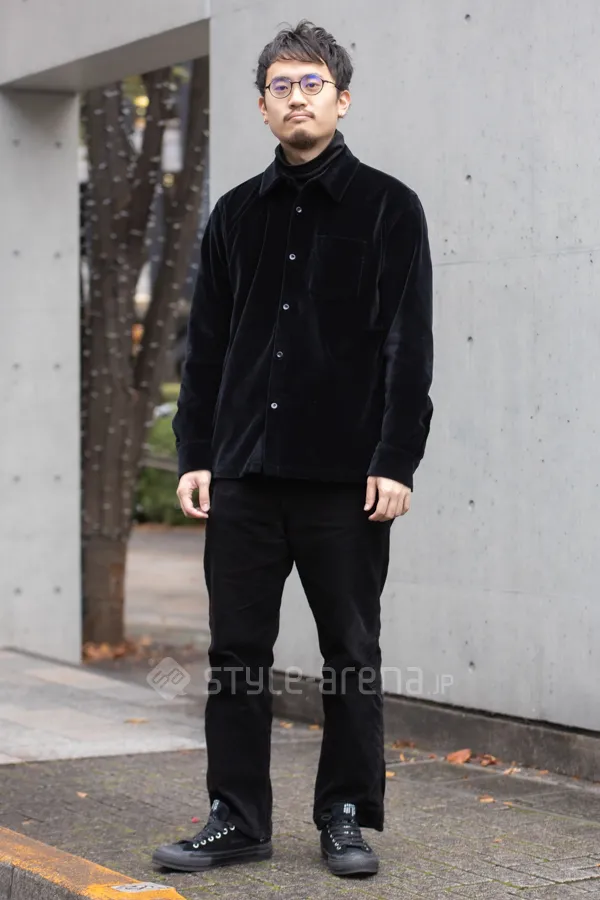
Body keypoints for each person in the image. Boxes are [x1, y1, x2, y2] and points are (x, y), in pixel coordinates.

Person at [152, 19, 434, 879]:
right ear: (263, 106)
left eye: (313, 84)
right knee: (236, 655)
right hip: (242, 473)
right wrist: (196, 452)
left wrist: (395, 459)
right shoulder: (235, 214)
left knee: (351, 653)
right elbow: (205, 347)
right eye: (281, 85)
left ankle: (345, 816)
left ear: (341, 100)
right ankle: (237, 818)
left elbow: (407, 344)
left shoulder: (388, 207)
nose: (297, 98)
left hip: (345, 479)